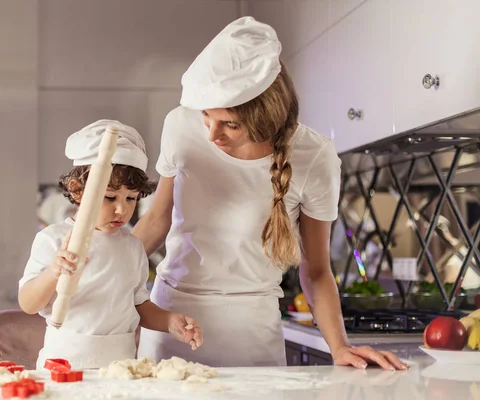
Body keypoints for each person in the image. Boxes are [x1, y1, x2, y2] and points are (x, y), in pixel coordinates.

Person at [133, 17, 407, 371]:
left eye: (231, 124)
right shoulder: (180, 126)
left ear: (267, 116)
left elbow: (318, 271)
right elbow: (156, 219)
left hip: (253, 334)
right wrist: (102, 264)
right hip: (172, 322)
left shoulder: (315, 157)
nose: (212, 134)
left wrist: (340, 347)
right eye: (206, 116)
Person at [18, 120, 203, 369]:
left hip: (121, 365)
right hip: (65, 362)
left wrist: (170, 321)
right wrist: (54, 272)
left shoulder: (132, 247)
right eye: (109, 197)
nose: (121, 209)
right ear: (77, 190)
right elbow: (28, 304)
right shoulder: (53, 239)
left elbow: (139, 306)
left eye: (131, 199)